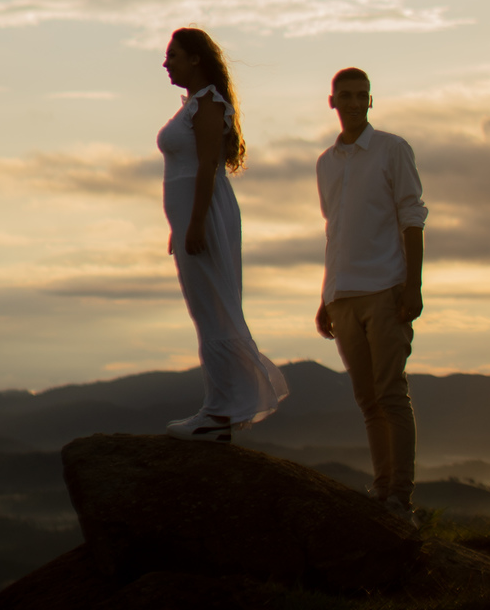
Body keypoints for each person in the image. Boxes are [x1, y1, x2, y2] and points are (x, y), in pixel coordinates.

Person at [158, 26, 288, 441]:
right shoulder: (193, 105)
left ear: (196, 59)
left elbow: (208, 167)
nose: (167, 63)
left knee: (215, 310)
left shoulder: (208, 104)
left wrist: (195, 222)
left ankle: (221, 413)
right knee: (205, 311)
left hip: (207, 215)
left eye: (173, 55)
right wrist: (180, 226)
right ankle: (219, 409)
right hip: (192, 218)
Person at [315, 67, 427, 524]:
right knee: (367, 400)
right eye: (347, 95)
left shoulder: (392, 149)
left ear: (371, 101)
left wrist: (413, 285)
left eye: (363, 95)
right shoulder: (326, 163)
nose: (356, 102)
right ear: (333, 102)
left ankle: (400, 495)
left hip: (385, 289)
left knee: (390, 394)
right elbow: (335, 231)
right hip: (344, 296)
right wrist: (326, 295)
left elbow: (412, 217)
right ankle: (382, 493)